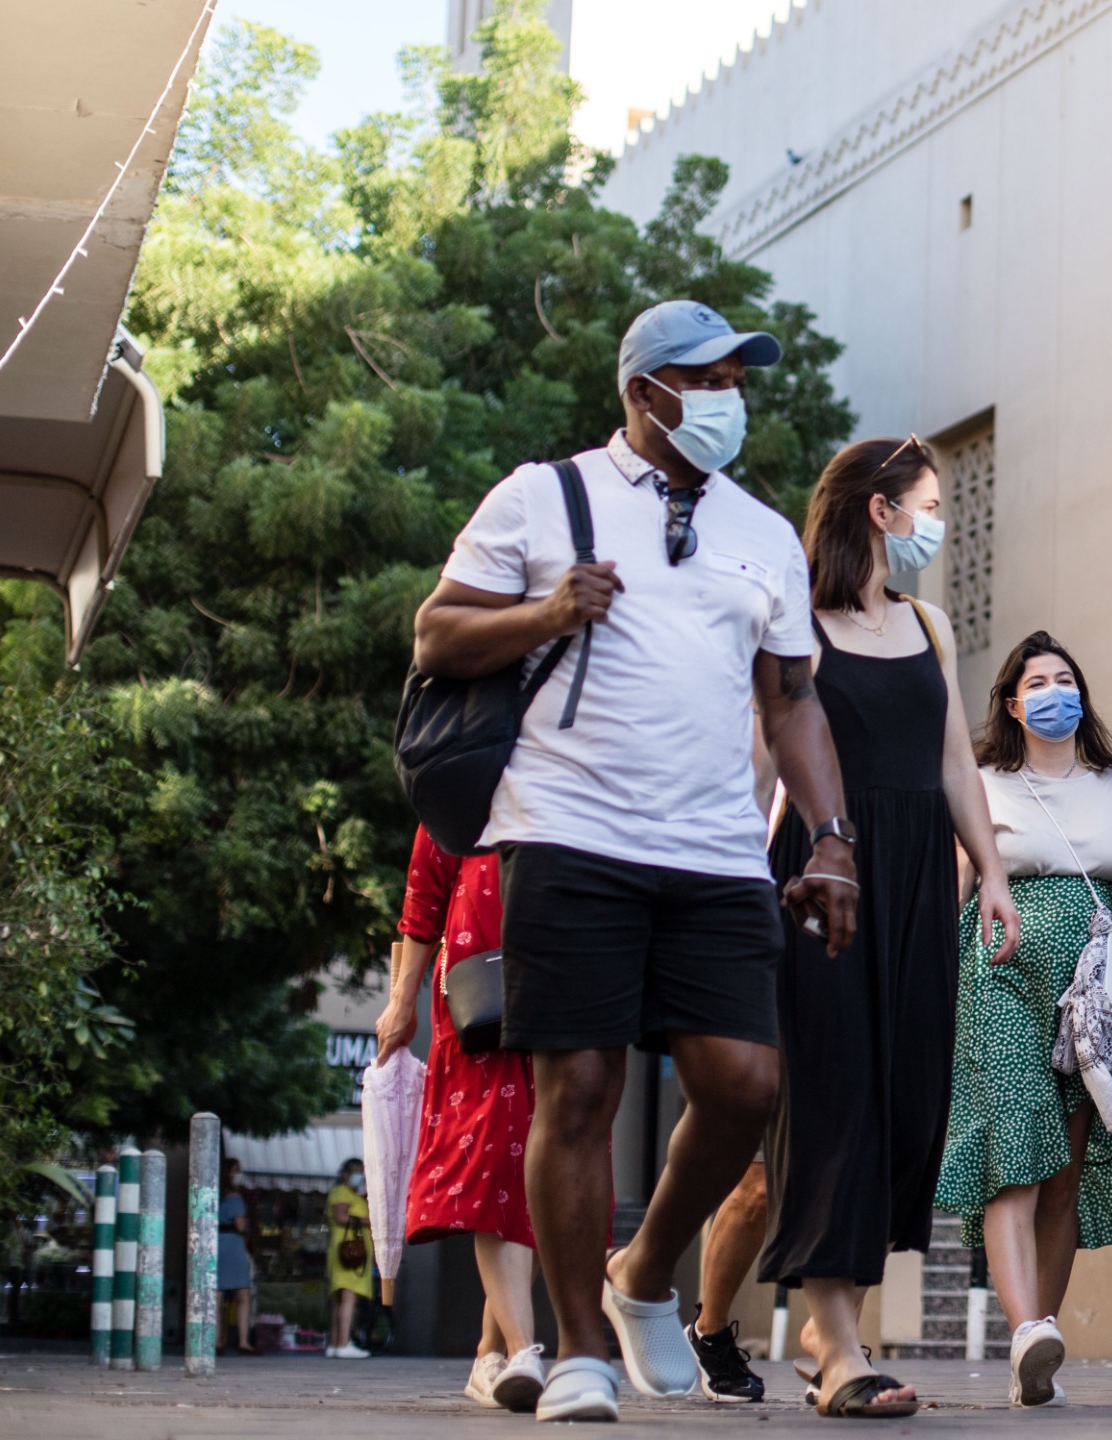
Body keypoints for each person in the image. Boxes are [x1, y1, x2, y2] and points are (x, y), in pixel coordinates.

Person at [411, 299, 864, 1422]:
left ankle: (643, 1269)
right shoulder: (544, 495)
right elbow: (435, 632)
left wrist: (832, 835)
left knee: (744, 1082)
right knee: (579, 1086)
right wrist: (545, 610)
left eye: (737, 381)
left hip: (713, 848)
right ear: (645, 391)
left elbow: (794, 699)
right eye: (707, 379)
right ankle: (577, 1351)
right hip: (568, 834)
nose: (729, 400)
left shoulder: (761, 528)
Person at [752, 435, 1021, 1419]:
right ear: (881, 508)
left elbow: (955, 759)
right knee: (835, 1103)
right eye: (932, 502)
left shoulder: (927, 624)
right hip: (822, 883)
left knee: (907, 1102)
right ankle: (839, 1345)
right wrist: (740, 884)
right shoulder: (798, 627)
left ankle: (836, 1332)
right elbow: (760, 774)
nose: (939, 521)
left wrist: (989, 870)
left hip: (917, 881)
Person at [936, 631, 1112, 1406]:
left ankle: (1040, 1341)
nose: (1053, 692)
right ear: (1011, 702)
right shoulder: (982, 784)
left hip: (1094, 996)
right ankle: (1027, 1326)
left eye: (1065, 678)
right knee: (1017, 1148)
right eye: (1036, 681)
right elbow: (955, 893)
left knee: (1065, 1170)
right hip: (1001, 974)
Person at [375, 824, 548, 1411]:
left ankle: (488, 1356)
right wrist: (401, 1001)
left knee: (543, 1178)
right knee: (497, 1166)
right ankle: (523, 1351)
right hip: (482, 990)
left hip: (563, 973)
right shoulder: (464, 767)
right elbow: (423, 896)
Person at [325, 1157, 376, 1357]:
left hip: (345, 1250)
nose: (359, 1176)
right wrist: (367, 1220)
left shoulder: (353, 1194)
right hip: (349, 1251)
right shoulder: (342, 1193)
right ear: (345, 1174)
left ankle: (336, 1343)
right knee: (348, 1296)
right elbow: (341, 1216)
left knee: (341, 1298)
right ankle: (344, 1342)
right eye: (355, 1171)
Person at [215, 1159, 257, 1356]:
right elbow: (240, 1225)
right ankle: (243, 1341)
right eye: (236, 1171)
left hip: (215, 1243)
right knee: (242, 1294)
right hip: (233, 1245)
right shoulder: (234, 1198)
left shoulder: (212, 1194)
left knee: (216, 1295)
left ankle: (215, 1340)